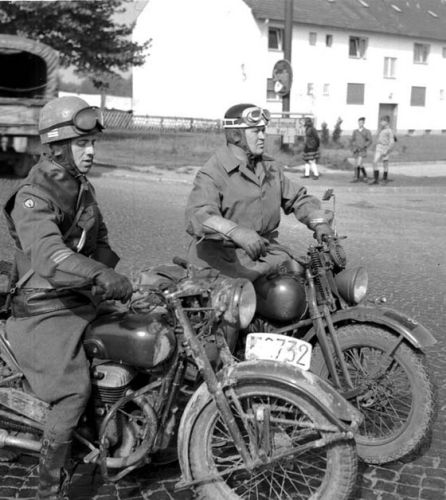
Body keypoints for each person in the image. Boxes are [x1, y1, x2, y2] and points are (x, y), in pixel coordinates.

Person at [3, 96, 133, 499]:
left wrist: (112, 277)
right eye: (81, 144)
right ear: (57, 146)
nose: (90, 151)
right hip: (45, 308)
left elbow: (102, 239)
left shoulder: (80, 186)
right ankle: (49, 487)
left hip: (80, 297)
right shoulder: (34, 195)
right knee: (73, 390)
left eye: (92, 143)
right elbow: (50, 257)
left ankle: (125, 443)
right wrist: (99, 274)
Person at [185, 103, 333, 283]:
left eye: (263, 130)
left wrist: (319, 222)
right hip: (224, 261)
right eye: (256, 132)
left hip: (264, 253)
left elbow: (297, 198)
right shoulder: (213, 173)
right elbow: (199, 216)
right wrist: (236, 232)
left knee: (307, 279)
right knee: (274, 298)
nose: (263, 137)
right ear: (235, 136)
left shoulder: (269, 167)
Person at [371, 115, 395, 185]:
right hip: (379, 147)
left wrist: (387, 150)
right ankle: (376, 179)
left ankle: (384, 179)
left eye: (382, 121)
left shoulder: (389, 131)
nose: (381, 122)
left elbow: (392, 142)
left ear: (386, 122)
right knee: (375, 161)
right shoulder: (381, 129)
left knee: (385, 164)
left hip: (385, 147)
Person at [350, 117, 372, 182]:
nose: (360, 124)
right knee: (357, 164)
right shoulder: (355, 131)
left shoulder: (367, 131)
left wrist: (365, 145)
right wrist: (353, 147)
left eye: (361, 122)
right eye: (359, 122)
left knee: (359, 164)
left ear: (363, 123)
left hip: (362, 150)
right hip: (356, 150)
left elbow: (370, 140)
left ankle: (356, 178)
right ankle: (364, 175)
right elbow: (352, 140)